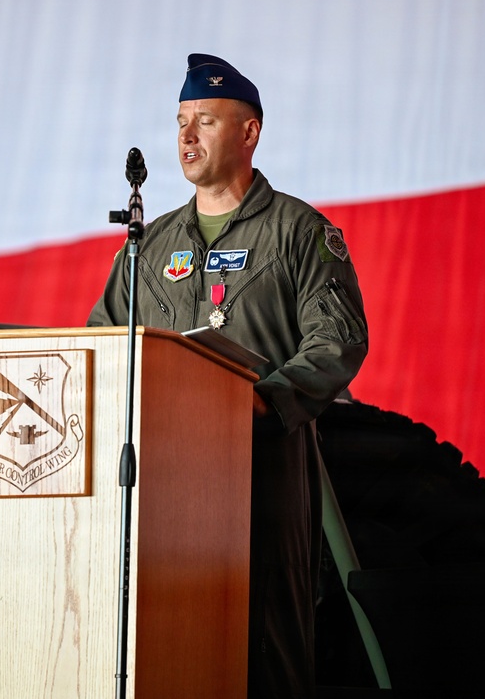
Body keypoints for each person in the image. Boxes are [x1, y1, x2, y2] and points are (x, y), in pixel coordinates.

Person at [87, 54, 369, 697]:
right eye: (180, 121)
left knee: (264, 647)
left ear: (249, 133)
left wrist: (260, 404)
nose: (185, 137)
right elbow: (101, 345)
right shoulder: (148, 245)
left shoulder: (299, 232)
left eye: (205, 121)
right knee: (159, 642)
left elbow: (339, 340)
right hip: (160, 484)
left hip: (262, 472)